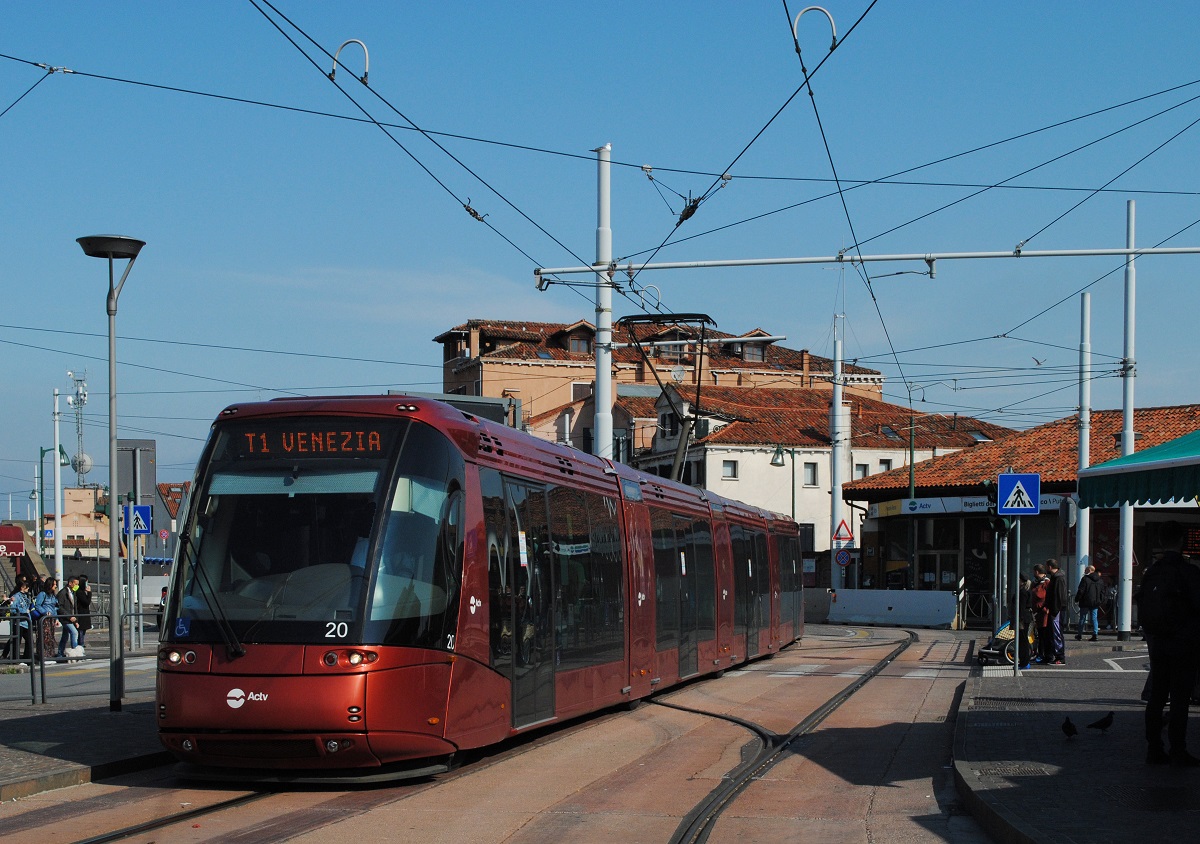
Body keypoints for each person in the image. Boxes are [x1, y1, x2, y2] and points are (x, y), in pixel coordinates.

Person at [1140, 520, 1200, 766]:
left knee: (1157, 697)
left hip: (1158, 642)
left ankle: (1154, 747)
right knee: (1179, 699)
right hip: (1183, 643)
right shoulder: (1189, 572)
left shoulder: (1152, 571)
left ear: (1161, 541)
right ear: (1182, 541)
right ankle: (1178, 749)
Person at [1, 581, 34, 661]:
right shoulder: (16, 596)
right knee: (16, 640)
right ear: (22, 587)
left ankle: (28, 658)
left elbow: (28, 606)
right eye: (27, 587)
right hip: (19, 621)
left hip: (26, 621)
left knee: (29, 640)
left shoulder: (26, 596)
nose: (28, 588)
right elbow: (13, 609)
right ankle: (15, 659)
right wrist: (23, 612)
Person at [1046, 559, 1069, 665]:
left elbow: (1058, 595)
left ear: (1050, 567)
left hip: (1057, 609)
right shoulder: (1056, 577)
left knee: (1057, 632)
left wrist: (1055, 609)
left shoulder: (1058, 578)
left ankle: (1060, 656)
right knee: (1054, 632)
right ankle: (1057, 655)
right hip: (1055, 608)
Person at [1075, 565, 1105, 641]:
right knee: (1094, 618)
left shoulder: (1085, 579)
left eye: (1085, 569)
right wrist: (1100, 601)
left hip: (1085, 602)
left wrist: (1077, 599)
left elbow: (1081, 591)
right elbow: (1103, 592)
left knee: (1082, 618)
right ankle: (1095, 634)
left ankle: (1079, 634)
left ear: (1089, 570)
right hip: (1095, 602)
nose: (1084, 571)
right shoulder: (1100, 580)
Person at [33, 578, 59, 663]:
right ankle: (43, 655)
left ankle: (50, 654)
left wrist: (57, 618)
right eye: (54, 584)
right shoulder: (42, 594)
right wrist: (45, 612)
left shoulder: (52, 595)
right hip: (44, 619)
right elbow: (38, 605)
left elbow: (55, 607)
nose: (56, 586)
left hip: (51, 619)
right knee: (44, 637)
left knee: (51, 637)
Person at [1030, 564, 1051, 663]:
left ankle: (1043, 654)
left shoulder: (1046, 583)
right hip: (1036, 613)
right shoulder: (1035, 583)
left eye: (1034, 571)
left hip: (1043, 613)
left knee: (1044, 634)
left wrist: (1046, 608)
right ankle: (1039, 652)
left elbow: (1047, 596)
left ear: (1037, 572)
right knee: (1038, 634)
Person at [56, 576, 80, 658]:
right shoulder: (63, 593)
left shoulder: (73, 593)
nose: (77, 586)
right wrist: (69, 616)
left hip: (70, 618)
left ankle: (60, 653)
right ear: (70, 583)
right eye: (76, 584)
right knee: (74, 632)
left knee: (65, 637)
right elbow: (60, 606)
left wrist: (76, 621)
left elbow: (74, 607)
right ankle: (75, 653)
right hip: (65, 618)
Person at [75, 575, 93, 646]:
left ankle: (81, 643)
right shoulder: (79, 592)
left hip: (84, 613)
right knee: (81, 630)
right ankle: (80, 644)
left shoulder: (81, 591)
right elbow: (86, 602)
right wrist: (89, 593)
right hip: (81, 613)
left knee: (83, 630)